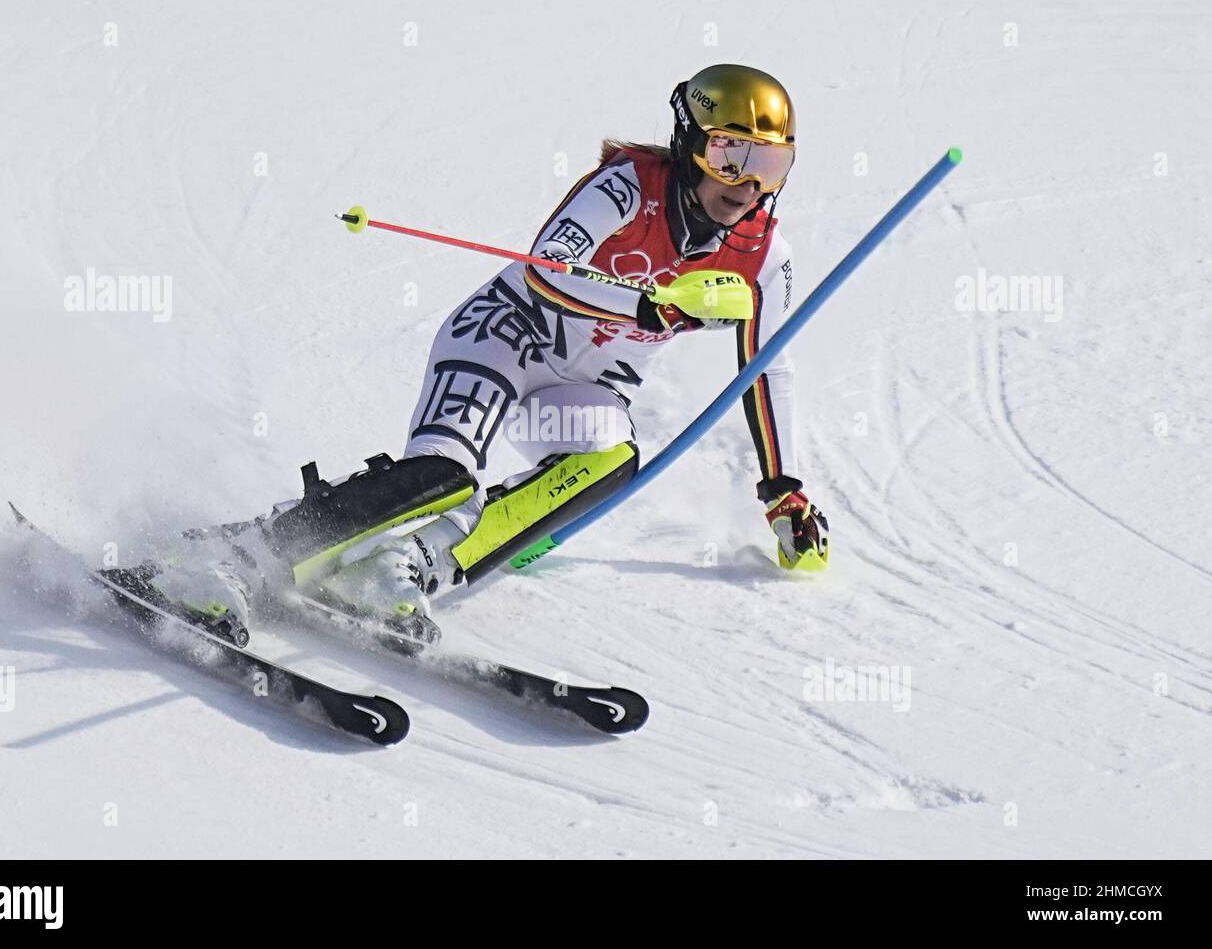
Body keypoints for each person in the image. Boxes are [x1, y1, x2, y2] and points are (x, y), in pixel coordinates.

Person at [127, 64, 829, 635]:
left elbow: (770, 367)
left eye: (770, 161)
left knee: (610, 458)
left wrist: (783, 489)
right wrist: (654, 304)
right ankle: (227, 553)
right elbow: (546, 271)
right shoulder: (626, 188)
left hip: (581, 389)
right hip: (503, 337)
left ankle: (409, 563)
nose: (747, 183)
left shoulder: (765, 255)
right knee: (442, 474)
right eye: (730, 154)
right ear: (690, 142)